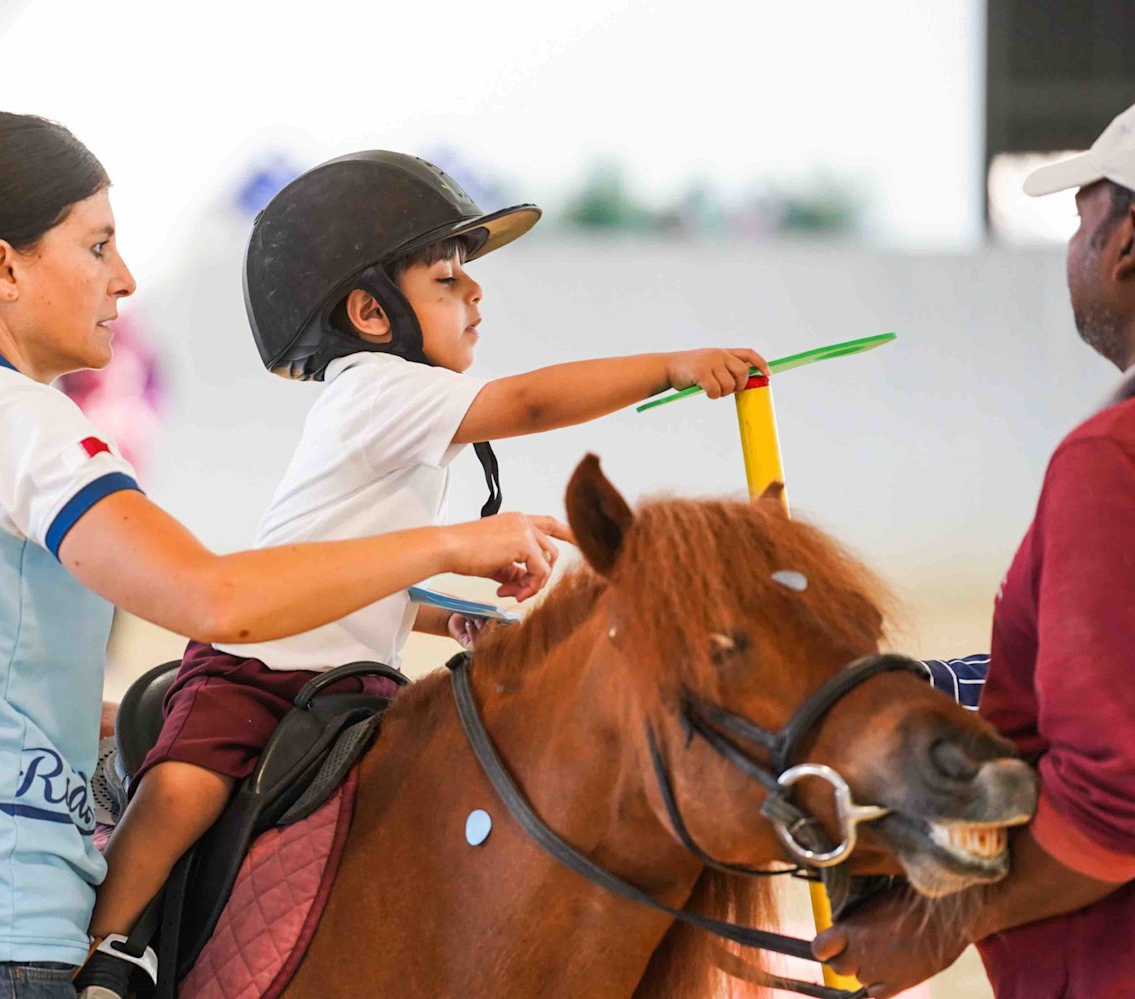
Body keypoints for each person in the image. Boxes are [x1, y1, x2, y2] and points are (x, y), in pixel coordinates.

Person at [0, 112, 569, 999]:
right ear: (3, 269)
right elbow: (219, 600)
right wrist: (453, 541)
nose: (124, 277)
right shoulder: (19, 422)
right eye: (98, 245)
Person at [83, 150, 769, 996]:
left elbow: (369, 568)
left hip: (346, 684)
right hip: (255, 672)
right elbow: (529, 403)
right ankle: (107, 945)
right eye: (447, 279)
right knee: (182, 794)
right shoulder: (379, 387)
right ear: (371, 313)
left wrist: (443, 617)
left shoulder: (399, 407)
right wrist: (670, 367)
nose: (475, 293)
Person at [813, 102, 1135, 998]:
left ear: (1127, 242)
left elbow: (1116, 800)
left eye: (1081, 217)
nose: (1073, 246)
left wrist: (937, 926)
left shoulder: (1112, 459)